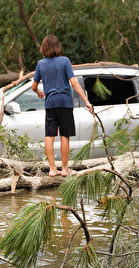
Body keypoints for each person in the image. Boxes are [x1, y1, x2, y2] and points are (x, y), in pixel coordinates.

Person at [32, 34, 94, 177]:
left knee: (49, 135)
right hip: (65, 103)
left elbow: (33, 86)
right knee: (64, 135)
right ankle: (65, 169)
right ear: (58, 46)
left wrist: (39, 92)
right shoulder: (65, 61)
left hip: (50, 104)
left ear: (43, 48)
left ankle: (52, 169)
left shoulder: (41, 64)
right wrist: (86, 101)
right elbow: (74, 83)